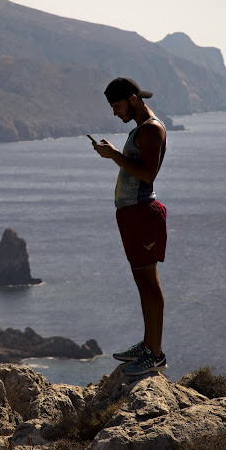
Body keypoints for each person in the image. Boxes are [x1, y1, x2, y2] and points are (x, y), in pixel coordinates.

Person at [91, 77, 168, 375]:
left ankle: (156, 353)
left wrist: (114, 156)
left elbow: (148, 174)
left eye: (117, 105)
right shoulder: (142, 127)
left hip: (142, 214)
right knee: (142, 283)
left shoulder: (150, 129)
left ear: (133, 100)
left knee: (150, 285)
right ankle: (148, 346)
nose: (115, 113)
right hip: (132, 215)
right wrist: (114, 155)